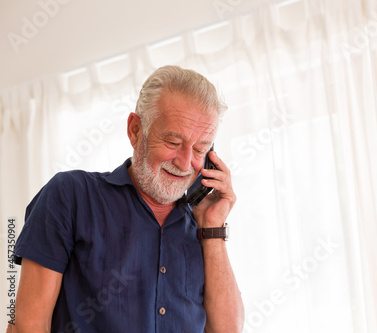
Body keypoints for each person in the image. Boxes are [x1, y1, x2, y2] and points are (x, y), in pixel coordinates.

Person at [8, 65, 244, 332]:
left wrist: (212, 228)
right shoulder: (70, 195)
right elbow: (28, 325)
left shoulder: (203, 226)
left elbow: (228, 329)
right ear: (135, 130)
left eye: (200, 149)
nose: (185, 162)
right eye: (172, 142)